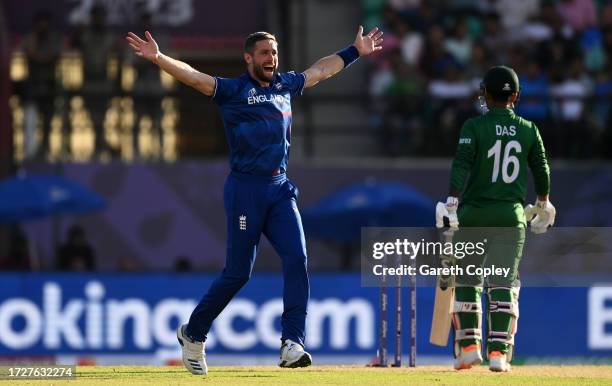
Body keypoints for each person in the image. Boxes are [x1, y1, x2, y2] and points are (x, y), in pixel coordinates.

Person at [126, 27, 383, 374]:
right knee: (238, 273)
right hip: (246, 191)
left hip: (279, 188)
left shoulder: (285, 84)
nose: (271, 59)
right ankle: (193, 333)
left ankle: (292, 342)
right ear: (248, 57)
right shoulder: (234, 91)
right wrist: (159, 58)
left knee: (297, 258)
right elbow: (195, 78)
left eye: (274, 53)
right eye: (264, 53)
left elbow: (321, 71)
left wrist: (353, 51)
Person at [435, 66, 554, 372]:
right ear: (515, 96)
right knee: (504, 283)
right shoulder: (528, 129)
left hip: (474, 214)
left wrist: (452, 201)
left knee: (467, 280)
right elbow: (541, 168)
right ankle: (499, 353)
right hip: (510, 218)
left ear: (485, 94)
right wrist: (543, 201)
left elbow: (461, 164)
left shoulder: (473, 127)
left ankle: (469, 346)